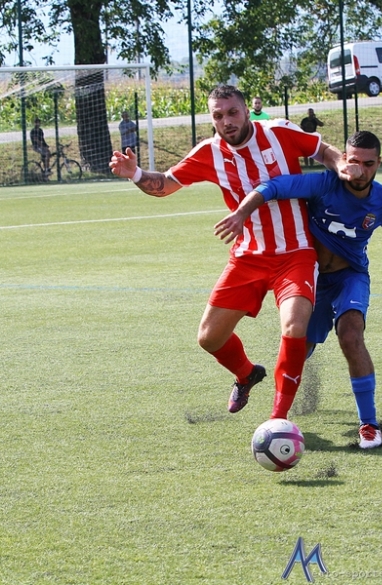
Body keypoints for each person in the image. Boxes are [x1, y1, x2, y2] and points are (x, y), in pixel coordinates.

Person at [109, 84, 356, 422]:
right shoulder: (209, 152)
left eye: (232, 112)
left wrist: (341, 165)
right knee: (209, 338)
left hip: (295, 253)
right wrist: (134, 173)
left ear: (245, 110)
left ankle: (278, 418)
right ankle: (246, 373)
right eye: (218, 116)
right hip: (248, 256)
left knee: (295, 326)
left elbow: (323, 151)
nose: (226, 121)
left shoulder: (279, 132)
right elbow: (165, 184)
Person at [214, 131, 382, 449]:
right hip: (314, 279)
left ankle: (369, 424)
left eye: (369, 163)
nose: (360, 170)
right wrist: (242, 212)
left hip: (351, 276)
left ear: (379, 163)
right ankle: (274, 412)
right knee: (298, 349)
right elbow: (274, 188)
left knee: (351, 336)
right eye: (354, 161)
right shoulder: (323, 184)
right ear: (343, 160)